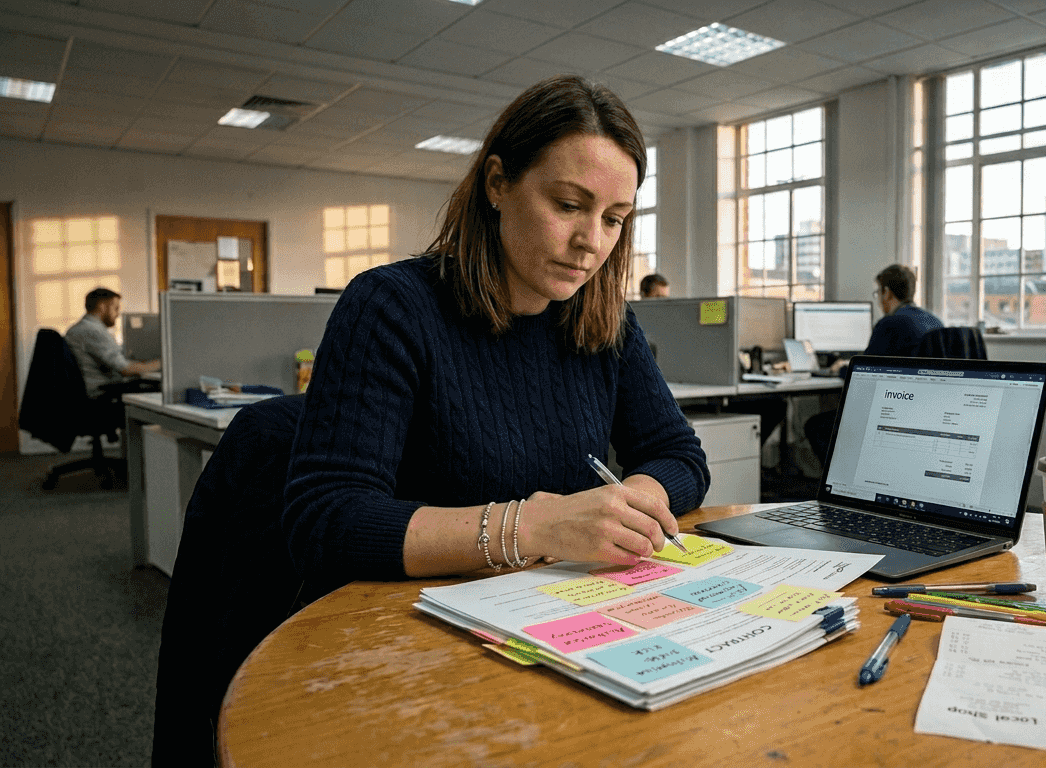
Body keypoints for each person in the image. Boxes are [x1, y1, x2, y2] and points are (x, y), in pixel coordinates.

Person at [282, 75, 709, 589]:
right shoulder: (392, 306)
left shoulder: (605, 318)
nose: (591, 242)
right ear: (498, 184)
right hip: (410, 612)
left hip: (552, 604)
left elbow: (679, 456)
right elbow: (326, 520)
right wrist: (533, 528)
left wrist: (630, 505)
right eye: (568, 205)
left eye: (614, 219)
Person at [803, 264, 942, 463]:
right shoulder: (934, 321)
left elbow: (863, 376)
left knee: (815, 426)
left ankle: (841, 479)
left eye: (878, 292)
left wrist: (841, 369)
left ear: (886, 292)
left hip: (891, 415)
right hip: (925, 414)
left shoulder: (890, 323)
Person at [65, 287, 161, 399]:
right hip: (102, 393)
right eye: (115, 308)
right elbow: (126, 369)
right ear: (102, 306)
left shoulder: (77, 329)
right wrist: (164, 363)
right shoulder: (93, 331)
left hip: (94, 391)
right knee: (160, 389)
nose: (118, 314)